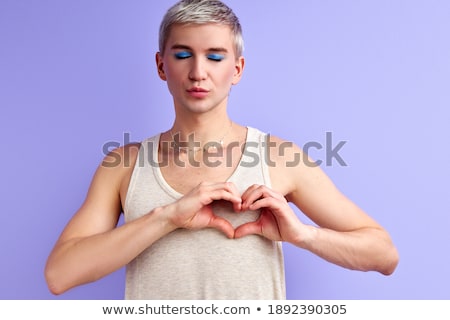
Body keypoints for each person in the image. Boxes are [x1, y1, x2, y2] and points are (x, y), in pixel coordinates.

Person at [45, 0, 399, 299]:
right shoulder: (123, 165)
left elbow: (384, 254)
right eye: (183, 55)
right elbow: (60, 275)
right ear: (160, 66)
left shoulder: (281, 159)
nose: (198, 72)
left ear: (237, 69)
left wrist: (302, 234)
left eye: (215, 57)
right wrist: (167, 217)